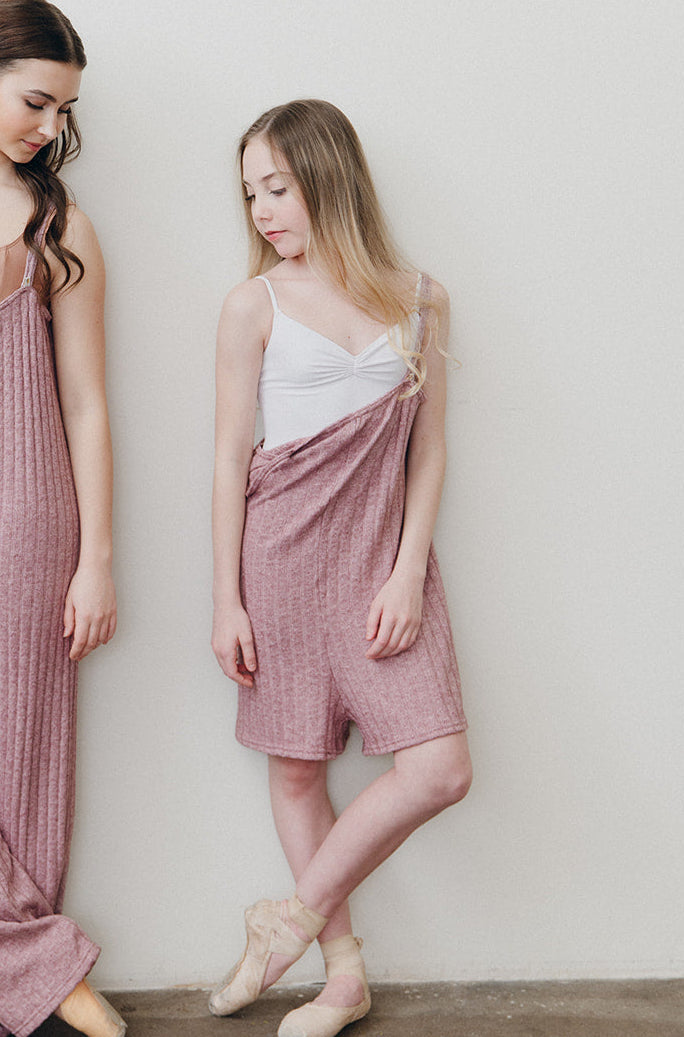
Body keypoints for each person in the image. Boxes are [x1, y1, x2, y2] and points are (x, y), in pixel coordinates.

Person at [210, 98, 472, 1037]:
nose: (262, 211)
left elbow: (429, 451)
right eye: (250, 195)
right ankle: (342, 978)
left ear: (328, 175)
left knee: (439, 767)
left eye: (277, 186)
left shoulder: (422, 297)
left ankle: (286, 922)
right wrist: (225, 599)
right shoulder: (255, 303)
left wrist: (407, 572)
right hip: (278, 558)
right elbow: (229, 460)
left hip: (379, 563)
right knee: (296, 771)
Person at [0, 3, 125, 1036]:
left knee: (28, 751)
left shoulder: (60, 225)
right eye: (35, 99)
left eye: (63, 109)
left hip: (30, 509)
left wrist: (99, 556)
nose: (48, 124)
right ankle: (38, 966)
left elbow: (85, 399)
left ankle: (21, 986)